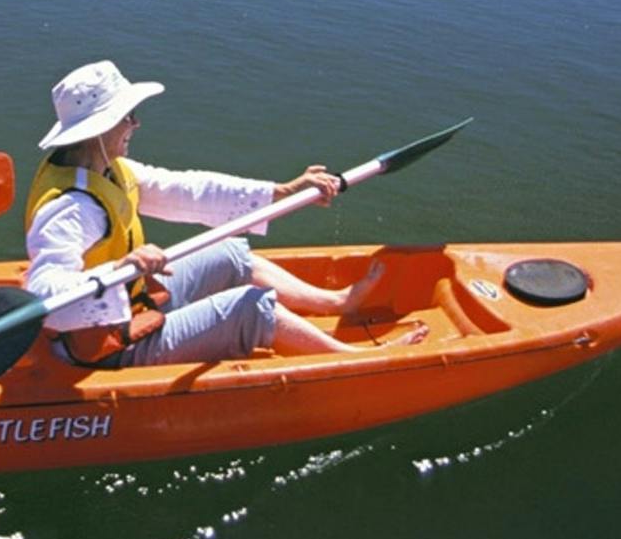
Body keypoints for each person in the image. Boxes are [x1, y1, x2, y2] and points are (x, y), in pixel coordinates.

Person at [24, 61, 429, 369]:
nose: (136, 123)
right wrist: (121, 269)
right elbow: (45, 294)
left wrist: (281, 192)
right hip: (106, 348)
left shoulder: (109, 169)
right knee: (250, 307)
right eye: (127, 116)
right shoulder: (71, 207)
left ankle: (337, 303)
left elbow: (190, 190)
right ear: (100, 128)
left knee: (233, 252)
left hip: (133, 304)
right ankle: (352, 360)